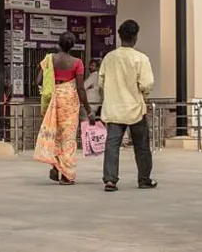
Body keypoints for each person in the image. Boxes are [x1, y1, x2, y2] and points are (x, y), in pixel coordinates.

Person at [100, 19, 156, 192]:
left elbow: (101, 82)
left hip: (114, 108)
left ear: (120, 36)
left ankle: (110, 180)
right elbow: (147, 83)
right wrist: (142, 94)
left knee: (112, 145)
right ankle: (144, 179)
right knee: (141, 146)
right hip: (135, 109)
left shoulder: (109, 58)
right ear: (135, 37)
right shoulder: (141, 58)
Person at [33, 31, 95, 185]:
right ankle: (66, 176)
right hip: (69, 101)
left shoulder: (49, 59)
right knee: (67, 139)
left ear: (58, 43)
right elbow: (81, 89)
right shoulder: (77, 62)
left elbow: (38, 80)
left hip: (53, 100)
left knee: (54, 135)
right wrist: (89, 110)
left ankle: (55, 167)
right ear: (72, 46)